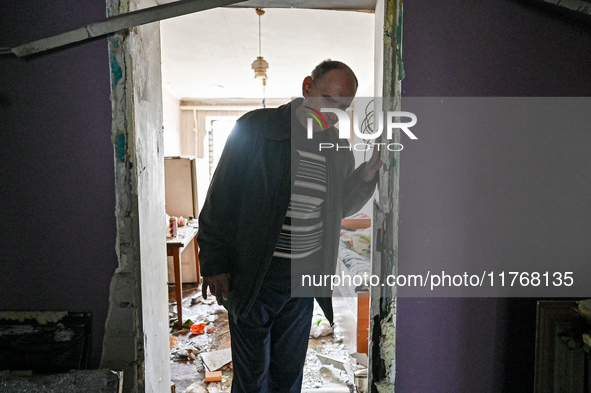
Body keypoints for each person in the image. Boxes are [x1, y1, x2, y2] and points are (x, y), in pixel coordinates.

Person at [197, 60, 381, 392]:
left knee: (288, 373)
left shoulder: (337, 148)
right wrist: (214, 263)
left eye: (343, 107)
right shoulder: (256, 128)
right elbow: (220, 200)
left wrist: (365, 177)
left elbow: (338, 207)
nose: (333, 112)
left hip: (302, 283)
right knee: (253, 377)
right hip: (254, 277)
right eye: (329, 100)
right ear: (307, 85)